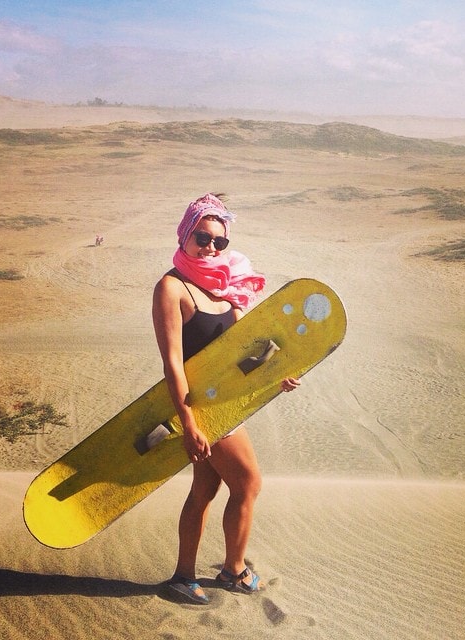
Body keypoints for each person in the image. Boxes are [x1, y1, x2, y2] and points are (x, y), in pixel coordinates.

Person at [152, 193, 300, 605]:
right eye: (202, 237)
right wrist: (190, 424)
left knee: (204, 490)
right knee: (249, 482)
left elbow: (242, 354)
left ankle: (184, 576)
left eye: (220, 241)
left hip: (225, 405)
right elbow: (173, 364)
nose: (211, 247)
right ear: (185, 234)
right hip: (200, 410)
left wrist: (275, 380)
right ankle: (233, 571)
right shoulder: (171, 288)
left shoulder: (225, 284)